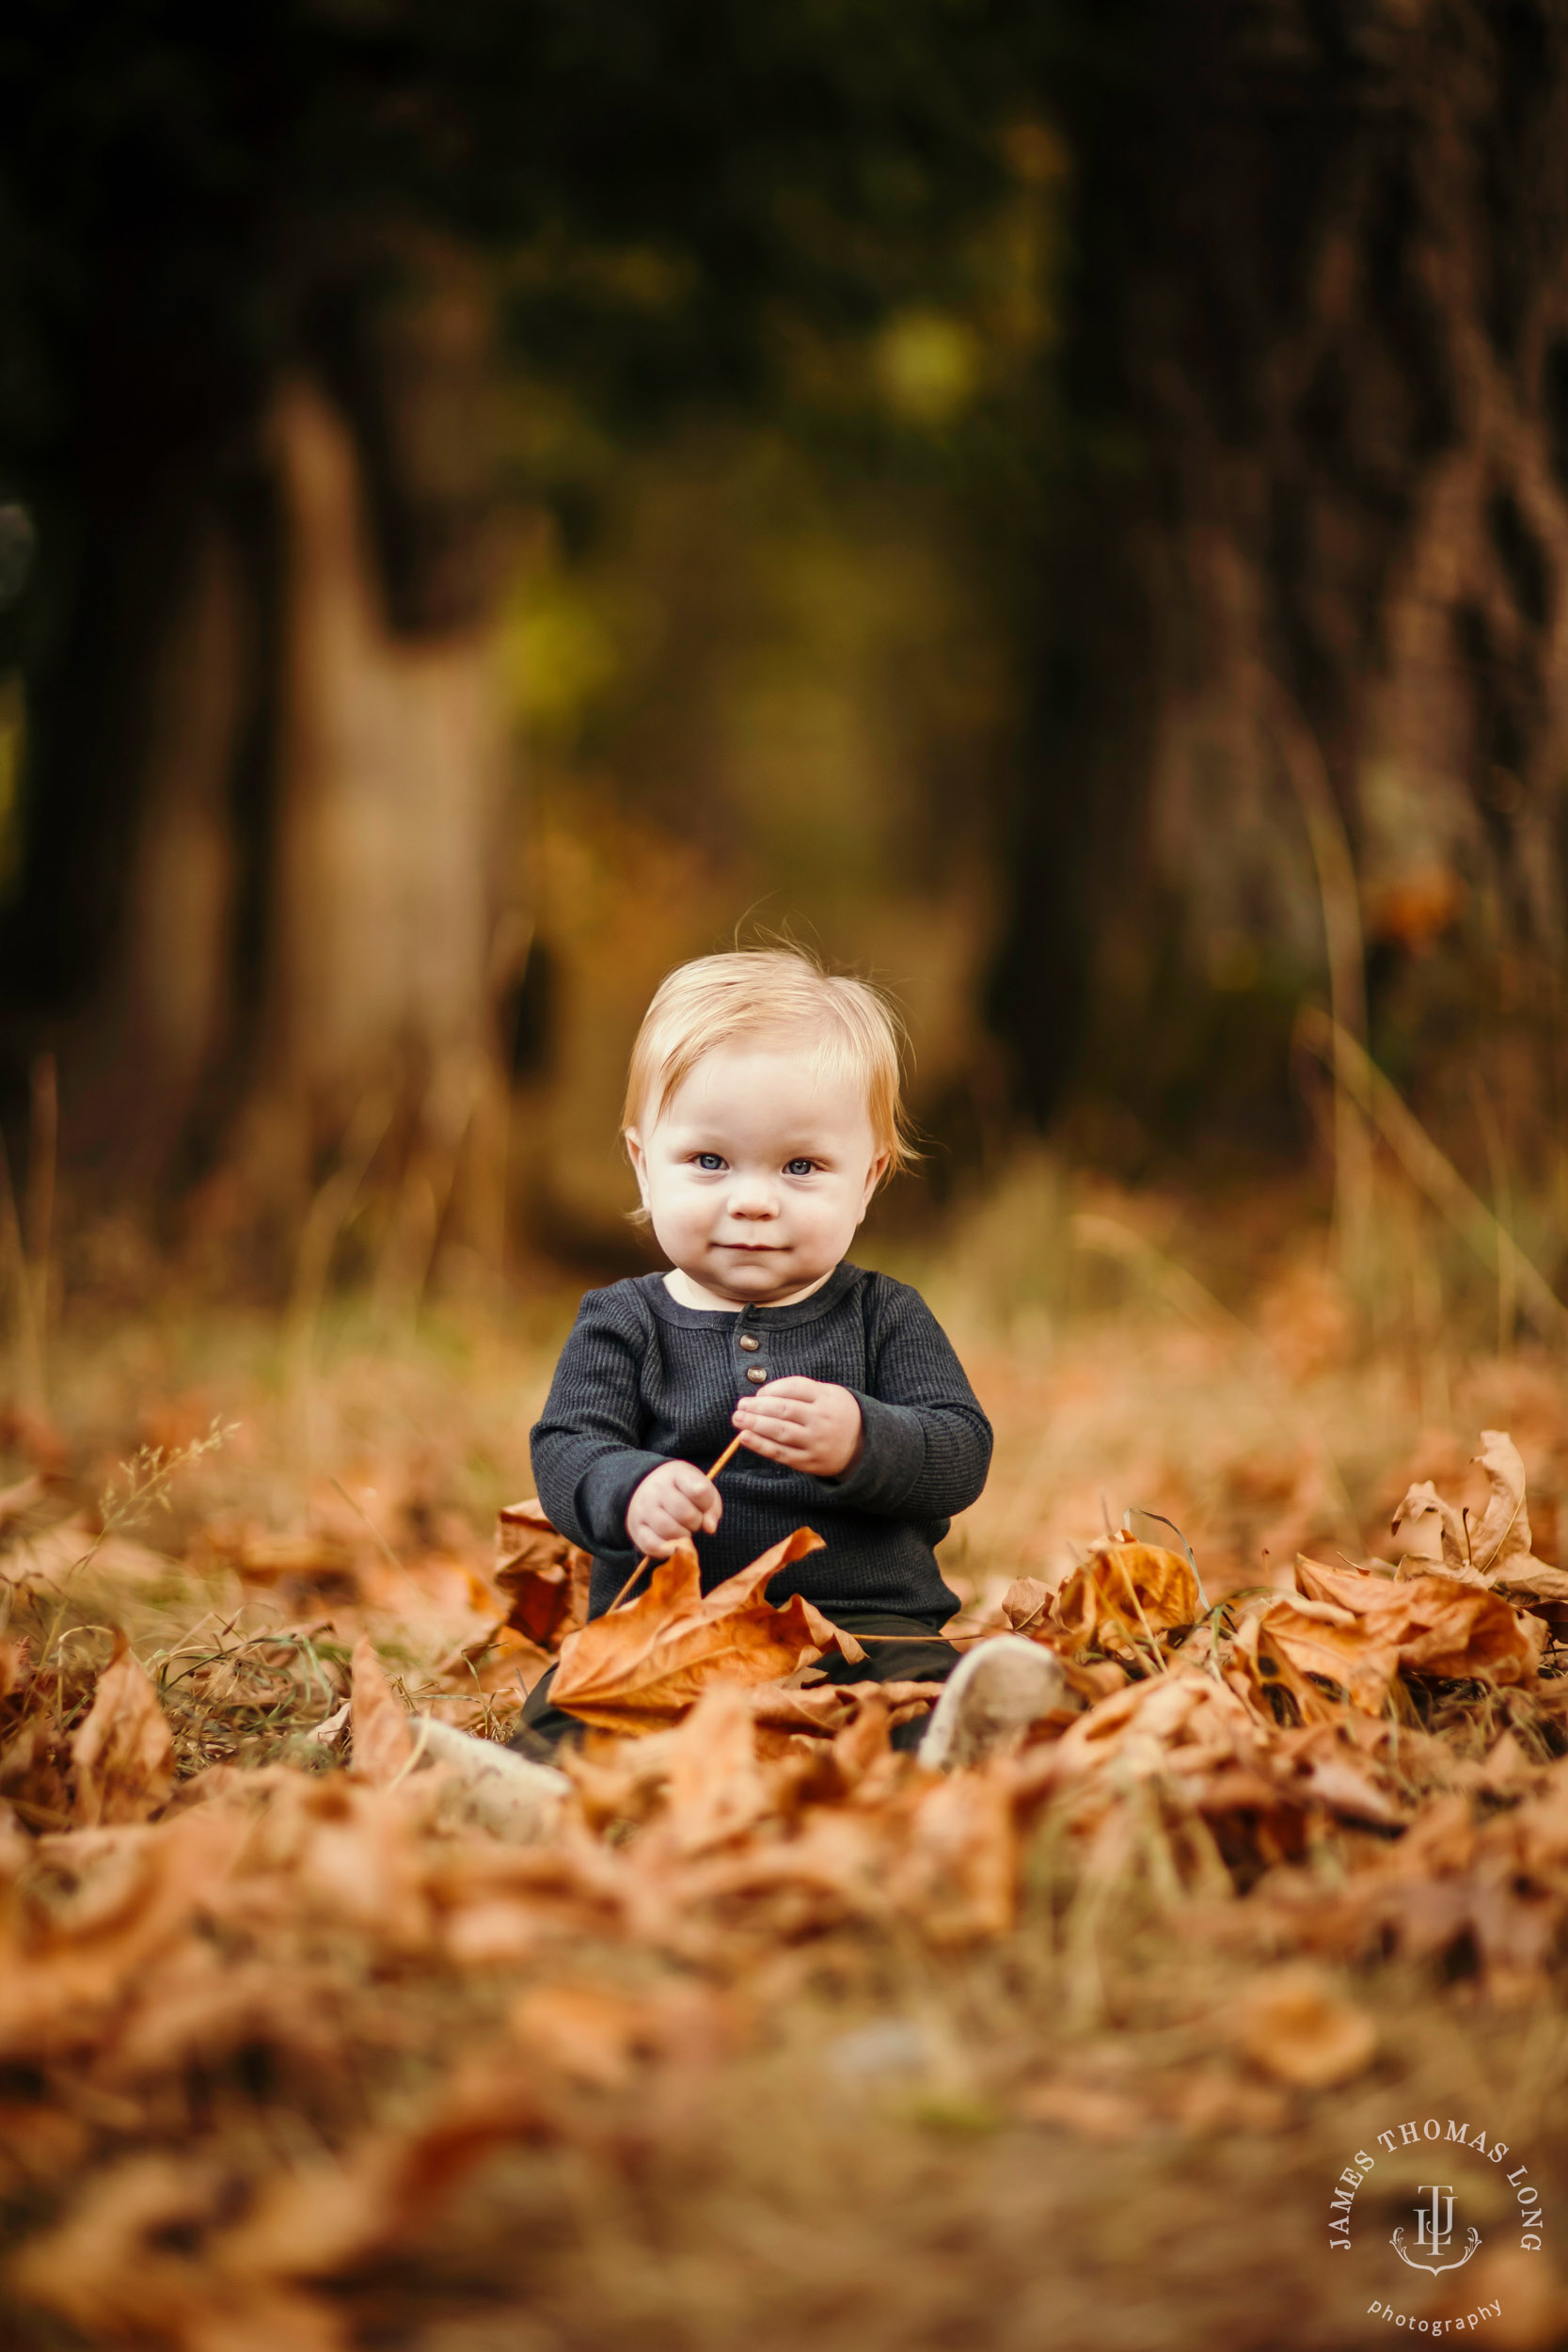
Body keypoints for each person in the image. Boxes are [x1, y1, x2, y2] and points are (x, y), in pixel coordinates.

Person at [509, 946, 999, 1759]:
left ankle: (951, 1752)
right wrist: (629, 1490)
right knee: (578, 1696)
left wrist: (860, 1438)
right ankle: (536, 1788)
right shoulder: (621, 1322)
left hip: (856, 1621)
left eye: (801, 1167)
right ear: (642, 1165)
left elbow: (961, 1453)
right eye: (709, 1162)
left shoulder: (886, 1317)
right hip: (666, 1622)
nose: (752, 1201)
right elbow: (566, 1448)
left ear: (868, 1180)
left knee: (918, 1682)